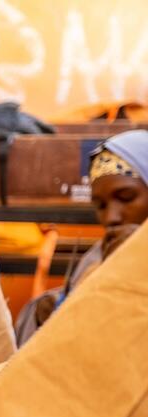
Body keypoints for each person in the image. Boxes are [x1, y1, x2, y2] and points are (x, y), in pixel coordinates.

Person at [15, 130, 148, 345]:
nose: (111, 217)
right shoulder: (94, 260)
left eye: (126, 198)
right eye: (101, 206)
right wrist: (47, 311)